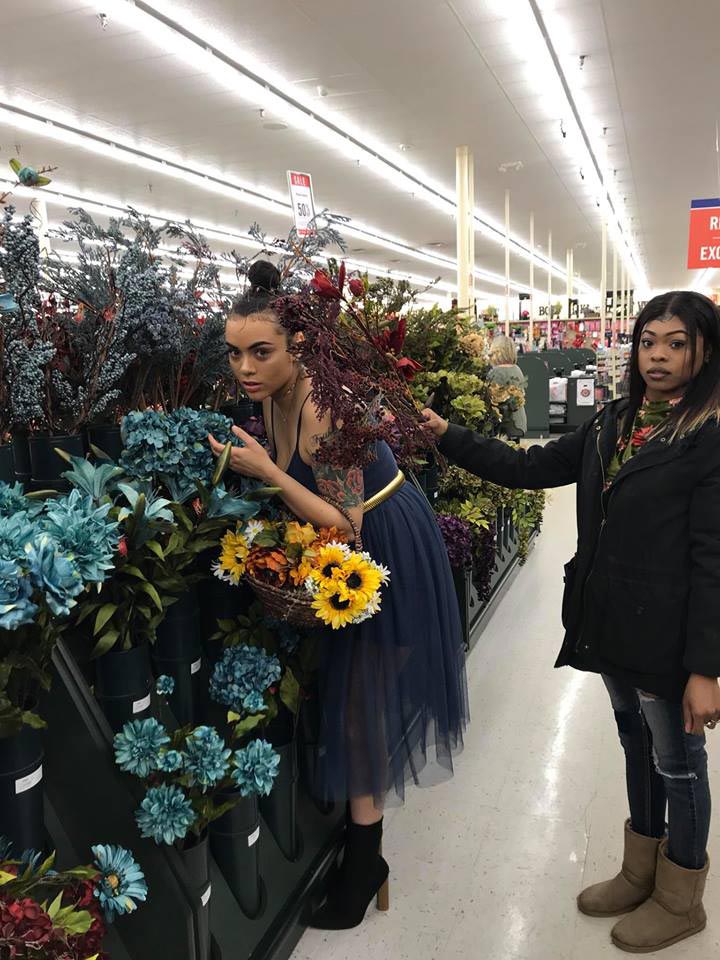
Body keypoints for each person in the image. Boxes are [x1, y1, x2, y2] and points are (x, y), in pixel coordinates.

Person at [423, 290, 720, 954]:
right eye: (649, 342)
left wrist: (705, 667)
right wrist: (447, 435)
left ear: (705, 350)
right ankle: (639, 870)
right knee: (635, 744)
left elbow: (712, 559)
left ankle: (681, 897)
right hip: (608, 620)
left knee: (678, 760)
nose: (658, 356)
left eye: (677, 343)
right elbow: (528, 467)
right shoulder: (614, 421)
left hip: (668, 635)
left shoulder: (708, 438)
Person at [208, 261, 468, 930]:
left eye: (260, 351)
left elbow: (343, 520)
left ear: (297, 349)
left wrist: (264, 470)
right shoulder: (271, 394)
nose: (245, 367)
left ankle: (365, 862)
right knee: (353, 697)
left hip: (385, 541)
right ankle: (363, 855)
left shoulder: (325, 404)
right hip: (351, 542)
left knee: (361, 703)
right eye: (235, 352)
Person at [487, 335, 528, 440]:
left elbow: (491, 399)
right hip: (519, 421)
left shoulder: (496, 372)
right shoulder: (517, 369)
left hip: (505, 424)